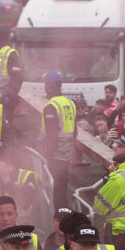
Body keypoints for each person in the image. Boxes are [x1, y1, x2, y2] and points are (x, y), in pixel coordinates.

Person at [39, 71, 77, 210]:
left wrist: (47, 155)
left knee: (56, 193)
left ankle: (60, 222)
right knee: (63, 189)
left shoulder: (51, 106)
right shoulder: (70, 104)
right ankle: (65, 219)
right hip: (66, 156)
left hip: (55, 158)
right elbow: (75, 132)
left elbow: (51, 136)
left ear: (48, 86)